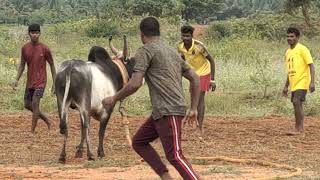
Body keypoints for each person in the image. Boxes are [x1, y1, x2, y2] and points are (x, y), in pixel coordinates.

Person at [102, 17, 201, 180]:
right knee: (139, 142)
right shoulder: (172, 52)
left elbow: (135, 83)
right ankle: (165, 176)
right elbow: (195, 78)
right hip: (160, 112)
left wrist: (114, 98)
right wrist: (194, 108)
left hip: (169, 110)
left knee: (175, 156)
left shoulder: (145, 50)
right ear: (158, 32)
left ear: (142, 34)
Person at [12, 23, 56, 133]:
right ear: (29, 34)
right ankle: (46, 120)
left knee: (35, 104)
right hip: (30, 81)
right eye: (33, 33)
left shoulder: (45, 49)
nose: (35, 35)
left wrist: (55, 82)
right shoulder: (25, 48)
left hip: (41, 81)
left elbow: (51, 64)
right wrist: (16, 79)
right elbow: (22, 65)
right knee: (27, 104)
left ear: (39, 34)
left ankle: (32, 131)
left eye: (37, 33)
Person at [177, 25, 216, 136]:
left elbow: (211, 61)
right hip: (193, 75)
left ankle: (199, 128)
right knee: (194, 98)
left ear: (192, 36)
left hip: (204, 73)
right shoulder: (180, 46)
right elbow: (182, 61)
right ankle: (193, 123)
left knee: (199, 99)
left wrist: (212, 79)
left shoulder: (199, 46)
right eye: (183, 36)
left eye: (188, 36)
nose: (185, 38)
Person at [282, 27, 315, 134]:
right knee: (297, 104)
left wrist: (312, 82)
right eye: (288, 36)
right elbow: (290, 69)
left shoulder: (303, 49)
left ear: (297, 37)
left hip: (303, 80)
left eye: (292, 36)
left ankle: (299, 129)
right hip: (293, 83)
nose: (289, 38)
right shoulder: (287, 52)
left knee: (297, 102)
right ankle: (299, 128)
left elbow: (311, 65)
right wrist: (286, 86)